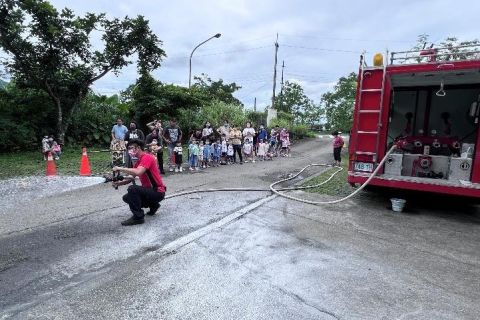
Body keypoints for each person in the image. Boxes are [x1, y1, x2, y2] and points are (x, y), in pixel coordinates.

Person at [112, 139, 166, 226]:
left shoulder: (147, 157)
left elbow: (138, 172)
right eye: (128, 148)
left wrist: (119, 168)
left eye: (131, 148)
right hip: (150, 191)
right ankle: (154, 205)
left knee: (133, 189)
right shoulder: (138, 162)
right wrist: (119, 183)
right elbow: (131, 178)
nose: (130, 150)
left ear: (138, 148)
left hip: (157, 191)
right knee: (127, 197)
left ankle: (138, 217)